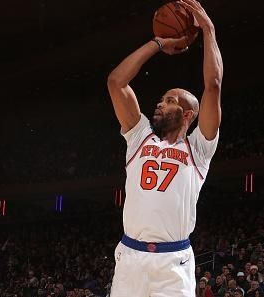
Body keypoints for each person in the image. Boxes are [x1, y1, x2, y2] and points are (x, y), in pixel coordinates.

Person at [106, 0, 223, 296]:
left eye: (171, 100)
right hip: (130, 258)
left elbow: (213, 85)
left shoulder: (198, 148)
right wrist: (159, 43)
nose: (160, 103)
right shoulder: (139, 136)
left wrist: (208, 30)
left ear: (188, 115)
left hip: (173, 262)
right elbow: (116, 82)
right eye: (162, 98)